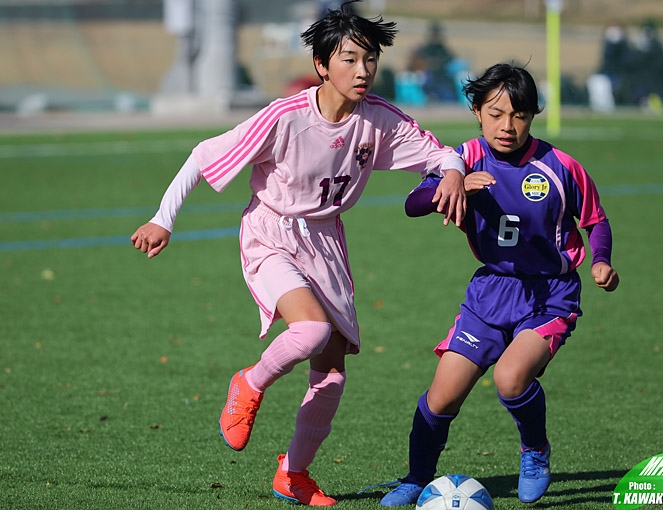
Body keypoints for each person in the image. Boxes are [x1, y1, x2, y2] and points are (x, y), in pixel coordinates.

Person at [130, 1, 466, 506]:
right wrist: (163, 218)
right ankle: (249, 382)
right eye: (349, 59)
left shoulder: (378, 119)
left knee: (331, 372)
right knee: (310, 331)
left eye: (370, 59)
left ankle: (294, 473)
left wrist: (455, 173)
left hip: (326, 243)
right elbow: (204, 155)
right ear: (321, 65)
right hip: (271, 235)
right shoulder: (286, 117)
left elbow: (441, 152)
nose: (363, 70)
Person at [379, 63, 619, 506]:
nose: (507, 126)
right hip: (490, 294)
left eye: (520, 115)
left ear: (532, 116)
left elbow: (596, 221)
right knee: (442, 395)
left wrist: (601, 262)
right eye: (495, 113)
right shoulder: (464, 158)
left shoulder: (561, 167)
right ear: (476, 111)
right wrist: (453, 184)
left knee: (510, 378)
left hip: (550, 295)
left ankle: (534, 450)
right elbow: (412, 204)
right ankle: (416, 478)